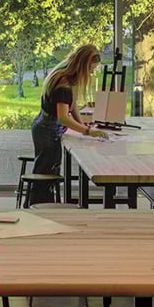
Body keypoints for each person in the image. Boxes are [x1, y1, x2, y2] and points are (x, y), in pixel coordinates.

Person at [31, 43, 107, 199]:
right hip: (48, 131)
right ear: (83, 66)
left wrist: (83, 125)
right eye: (91, 69)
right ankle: (40, 207)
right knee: (46, 174)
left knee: (48, 170)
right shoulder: (63, 85)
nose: (92, 73)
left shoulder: (65, 76)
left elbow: (72, 106)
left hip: (44, 126)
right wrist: (87, 131)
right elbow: (63, 117)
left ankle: (46, 205)